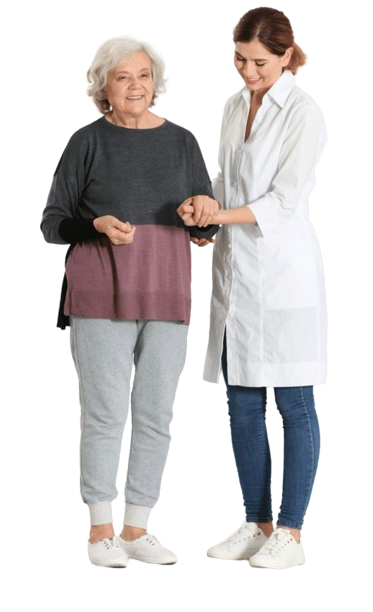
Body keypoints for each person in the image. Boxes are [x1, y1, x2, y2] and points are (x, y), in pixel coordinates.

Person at [41, 33, 219, 569]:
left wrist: (203, 221)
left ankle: (138, 526)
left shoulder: (184, 141)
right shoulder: (86, 141)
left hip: (169, 292)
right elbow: (52, 225)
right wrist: (93, 226)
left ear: (157, 83)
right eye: (123, 77)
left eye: (143, 75)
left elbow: (206, 228)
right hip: (99, 293)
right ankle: (100, 529)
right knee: (103, 412)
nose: (136, 85)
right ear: (104, 88)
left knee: (157, 414)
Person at [177, 7, 328, 570]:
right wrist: (206, 218)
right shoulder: (233, 105)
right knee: (241, 401)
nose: (247, 72)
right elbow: (225, 180)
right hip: (236, 269)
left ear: (286, 56)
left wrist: (224, 214)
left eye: (259, 62)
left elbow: (286, 201)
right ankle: (256, 521)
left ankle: (291, 531)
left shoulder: (305, 114)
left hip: (283, 271)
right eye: (238, 59)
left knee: (292, 400)